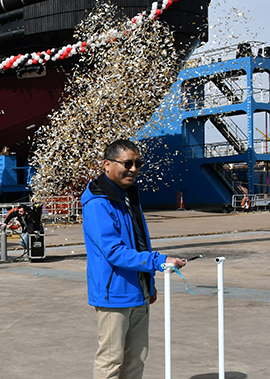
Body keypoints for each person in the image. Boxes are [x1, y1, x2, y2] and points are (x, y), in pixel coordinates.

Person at [82, 139, 186, 379]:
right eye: (127, 163)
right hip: (114, 294)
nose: (134, 169)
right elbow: (114, 251)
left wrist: (149, 283)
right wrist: (158, 261)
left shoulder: (129, 196)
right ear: (107, 165)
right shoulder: (98, 202)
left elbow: (139, 240)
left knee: (137, 358)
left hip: (138, 290)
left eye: (138, 163)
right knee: (110, 359)